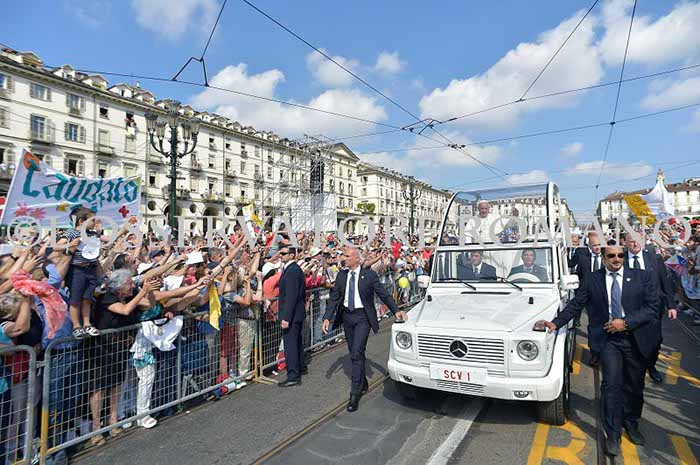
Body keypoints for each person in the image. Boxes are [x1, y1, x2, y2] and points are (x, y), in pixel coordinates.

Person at [537, 245, 658, 456]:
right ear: (603, 258)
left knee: (634, 386)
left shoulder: (642, 276)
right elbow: (577, 303)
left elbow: (653, 307)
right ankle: (612, 434)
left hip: (635, 339)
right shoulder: (593, 279)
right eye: (611, 255)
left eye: (620, 255)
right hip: (608, 340)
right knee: (611, 386)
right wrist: (556, 323)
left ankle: (631, 422)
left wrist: (625, 323)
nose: (616, 259)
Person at [322, 247, 407, 412]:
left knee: (357, 352)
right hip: (347, 317)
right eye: (344, 255)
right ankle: (362, 382)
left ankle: (355, 393)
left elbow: (383, 294)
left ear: (357, 259)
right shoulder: (342, 276)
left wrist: (396, 310)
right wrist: (327, 317)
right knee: (354, 352)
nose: (344, 258)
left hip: (363, 318)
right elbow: (335, 298)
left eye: (347, 256)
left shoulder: (369, 275)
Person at [622, 232, 676, 383]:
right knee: (631, 340)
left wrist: (671, 305)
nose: (635, 244)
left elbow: (665, 282)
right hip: (630, 308)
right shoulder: (620, 259)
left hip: (654, 308)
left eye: (638, 240)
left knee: (655, 341)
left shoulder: (654, 258)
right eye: (631, 241)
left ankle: (651, 366)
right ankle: (632, 369)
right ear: (625, 242)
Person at [277, 246, 307, 387]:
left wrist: (286, 318)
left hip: (292, 315)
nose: (281, 255)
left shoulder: (292, 271)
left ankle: (293, 375)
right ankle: (300, 367)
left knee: (290, 345)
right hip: (296, 314)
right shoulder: (292, 269)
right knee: (296, 342)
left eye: (283, 253)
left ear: (291, 255)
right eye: (280, 253)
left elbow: (291, 296)